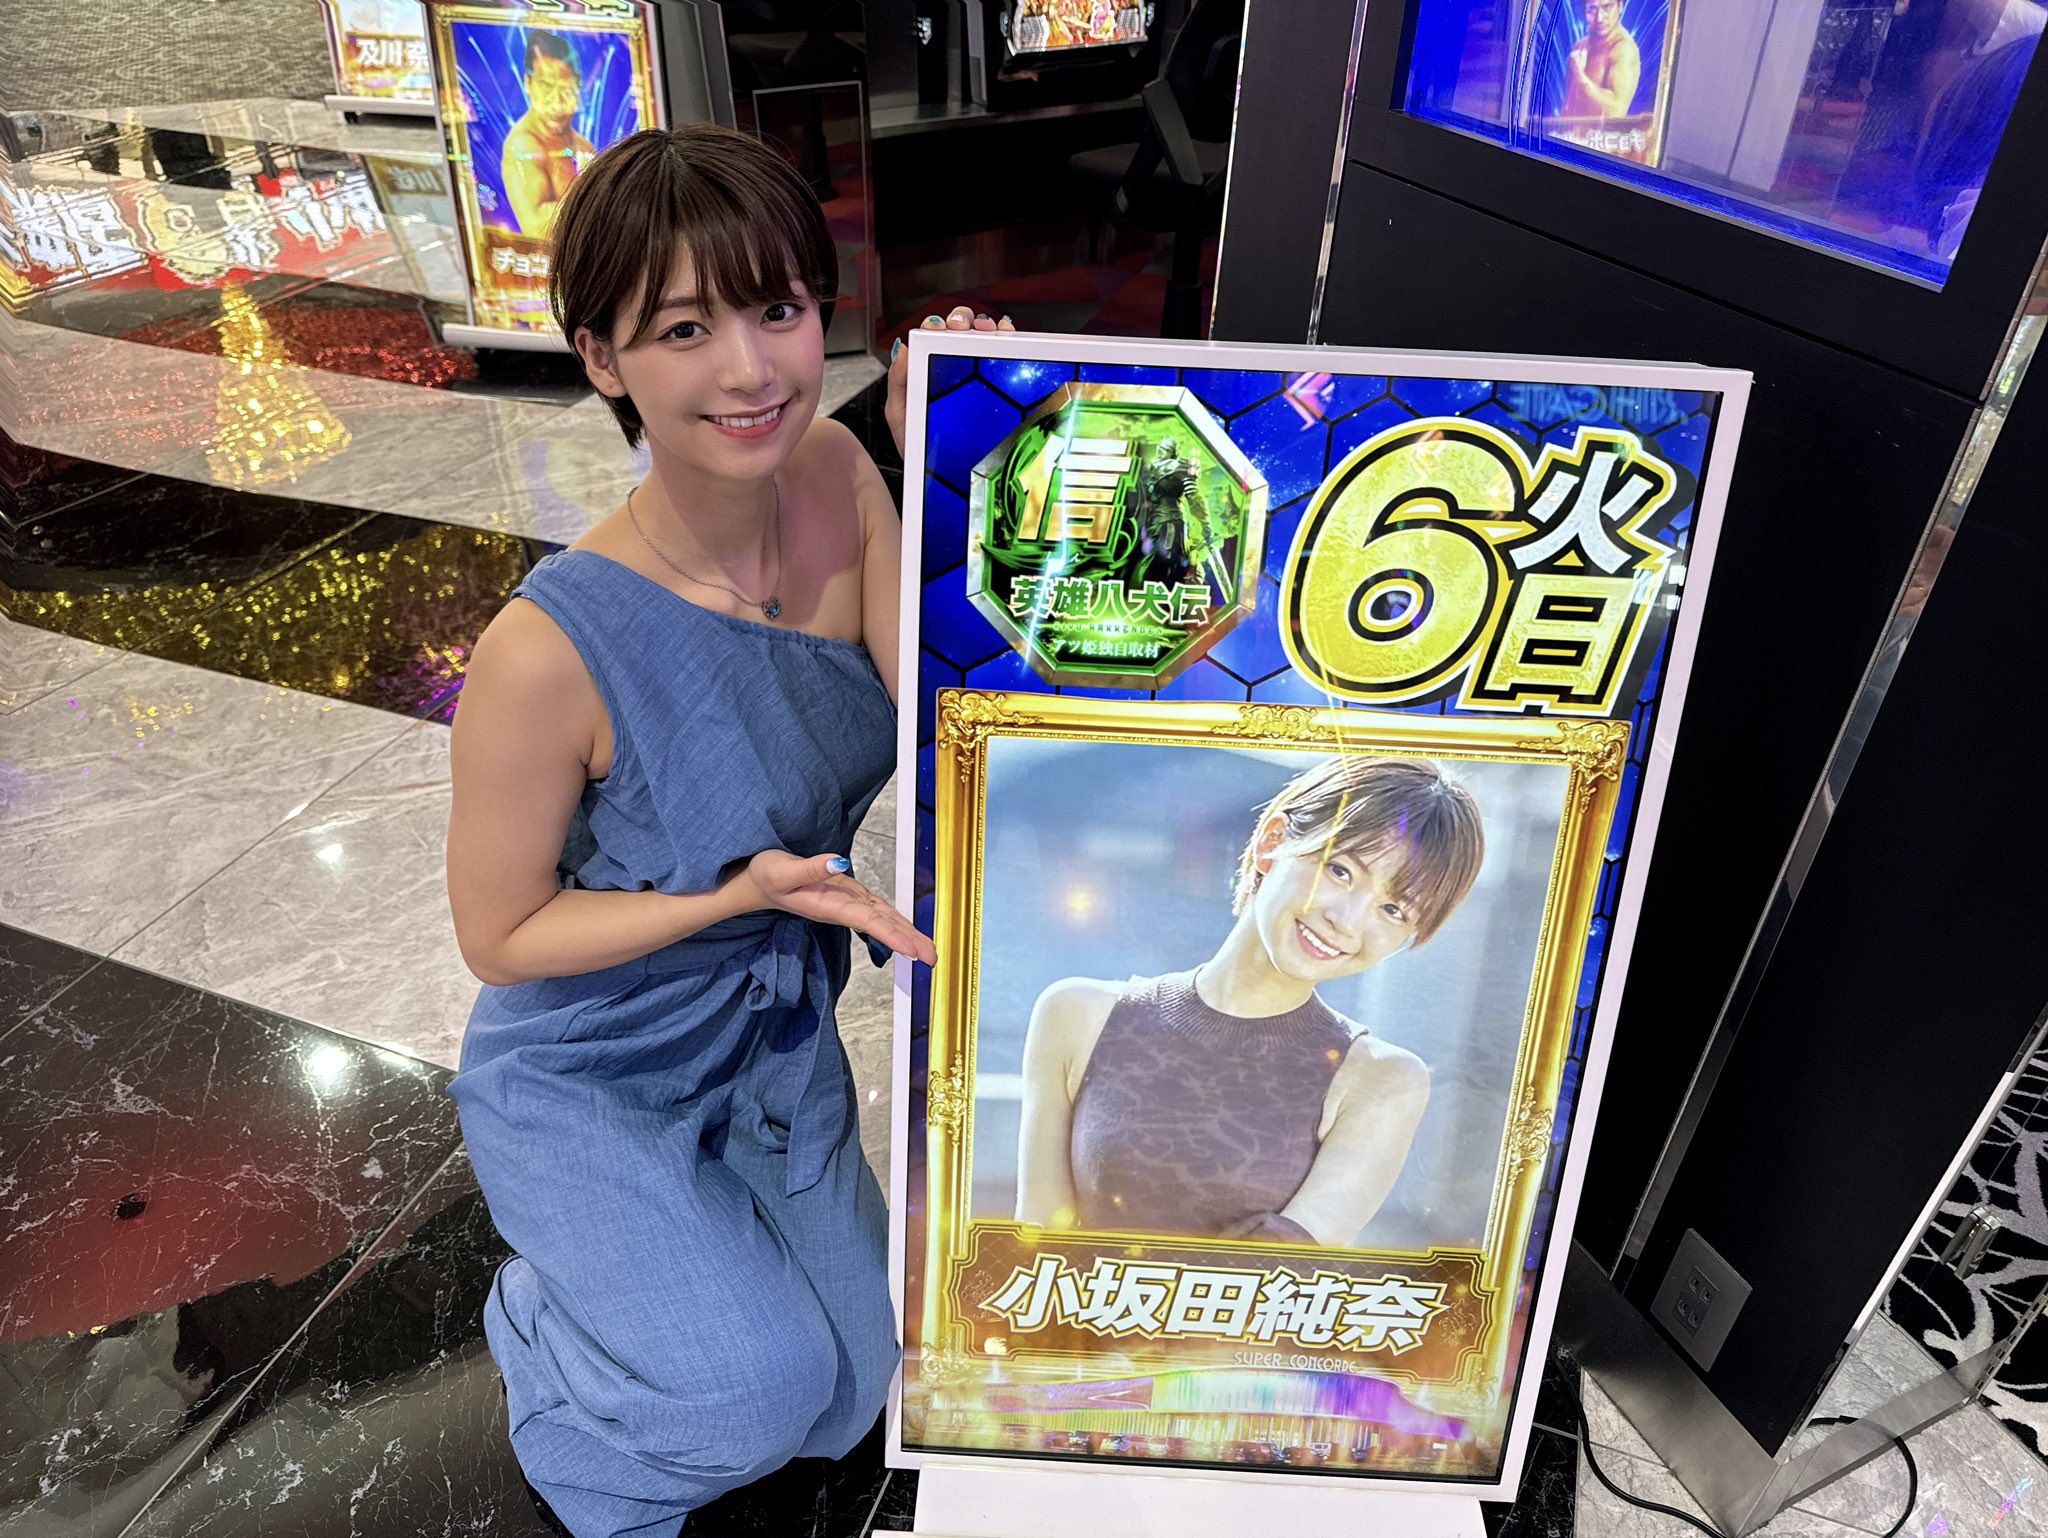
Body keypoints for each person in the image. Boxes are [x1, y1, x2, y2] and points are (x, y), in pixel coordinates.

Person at [444, 124, 1012, 1537]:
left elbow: (946, 711)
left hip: (766, 1032)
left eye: (780, 309)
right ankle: (543, 1329)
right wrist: (733, 894)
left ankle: (684, 1277)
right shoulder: (544, 649)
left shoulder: (837, 471)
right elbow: (499, 934)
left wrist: (976, 443)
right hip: (592, 1060)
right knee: (748, 1399)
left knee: (855, 1387)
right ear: (601, 358)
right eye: (685, 329)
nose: (752, 369)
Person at [1014, 754, 1485, 1248]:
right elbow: (1037, 1247)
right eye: (1340, 870)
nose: (1346, 921)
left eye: (1393, 909)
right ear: (1272, 842)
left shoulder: (1383, 1079)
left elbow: (1278, 1269)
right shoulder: (1078, 1016)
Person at [501, 29, 597, 238]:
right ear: (528, 83)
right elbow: (536, 225)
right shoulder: (523, 145)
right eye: (546, 87)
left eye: (566, 89)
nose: (557, 101)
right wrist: (590, 188)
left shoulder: (584, 146)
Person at [1559, 0, 1642, 123]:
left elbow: (1615, 111)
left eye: (1607, 7)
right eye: (1592, 9)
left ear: (1620, 7)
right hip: (1569, 133)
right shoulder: (1579, 47)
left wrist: (1579, 76)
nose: (1599, 18)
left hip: (1600, 135)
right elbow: (1568, 108)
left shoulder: (1624, 49)